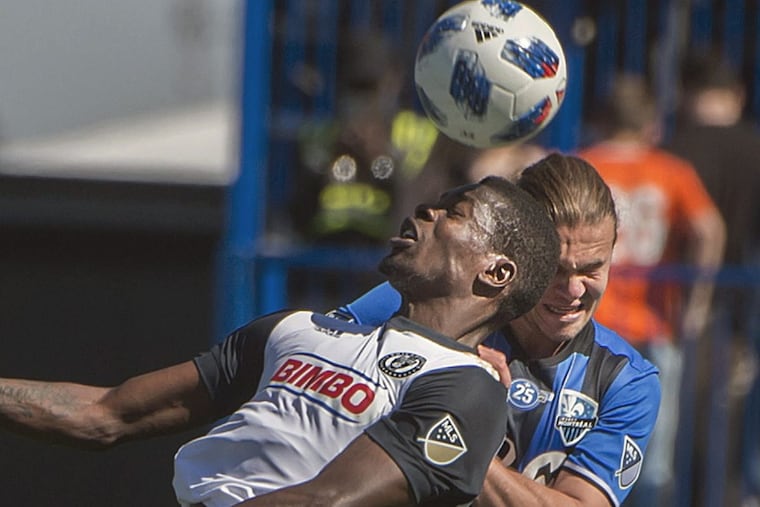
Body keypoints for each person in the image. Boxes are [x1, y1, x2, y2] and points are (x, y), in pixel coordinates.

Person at [0, 176, 560, 507]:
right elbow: (105, 413)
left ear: (496, 273)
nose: (426, 211)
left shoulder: (466, 387)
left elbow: (329, 500)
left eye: (453, 214)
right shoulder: (296, 329)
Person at [333, 152, 662, 507]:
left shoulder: (626, 381)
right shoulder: (422, 301)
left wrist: (456, 435)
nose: (573, 290)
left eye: (591, 269)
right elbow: (312, 374)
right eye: (556, 270)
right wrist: (441, 369)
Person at [579, 74, 726, 507]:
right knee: (650, 457)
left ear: (604, 119)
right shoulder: (671, 171)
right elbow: (708, 229)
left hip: (596, 321)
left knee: (583, 438)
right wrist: (696, 302)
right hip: (654, 320)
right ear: (651, 123)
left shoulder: (585, 165)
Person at [667, 50, 760, 507]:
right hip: (740, 305)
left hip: (668, 303)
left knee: (671, 425)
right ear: (738, 95)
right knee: (727, 423)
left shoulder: (672, 150)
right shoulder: (755, 147)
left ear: (686, 94)